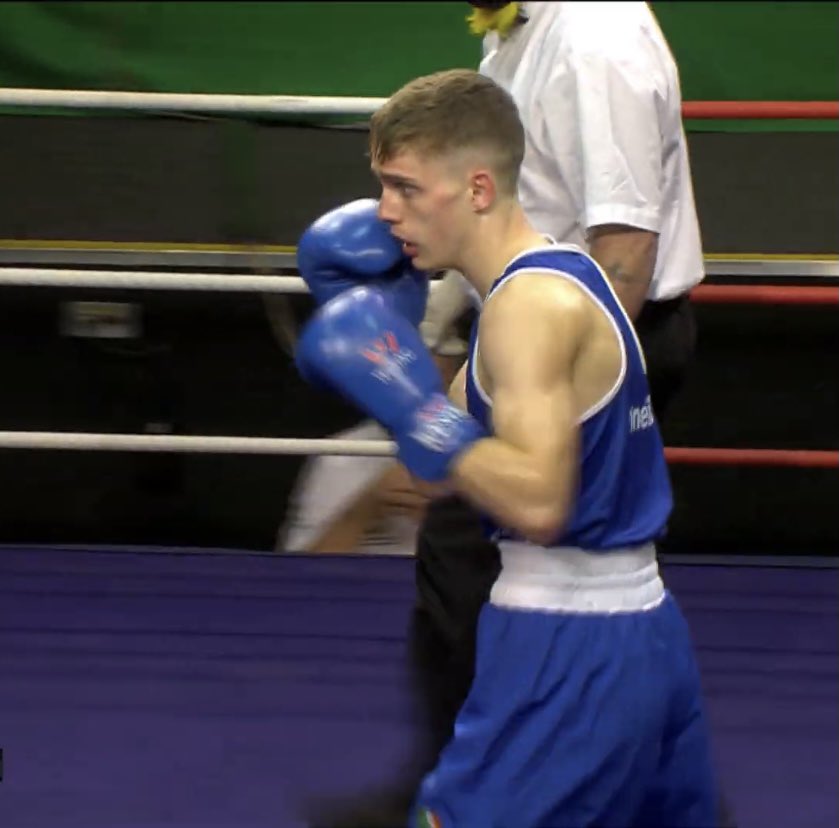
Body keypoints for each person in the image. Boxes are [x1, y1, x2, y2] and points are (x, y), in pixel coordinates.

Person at [295, 67, 719, 826]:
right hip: (633, 632)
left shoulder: (529, 308)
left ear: (479, 189)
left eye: (405, 188)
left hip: (569, 648)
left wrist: (414, 403)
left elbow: (537, 501)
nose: (385, 211)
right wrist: (398, 364)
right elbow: (443, 470)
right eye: (382, 187)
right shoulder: (562, 276)